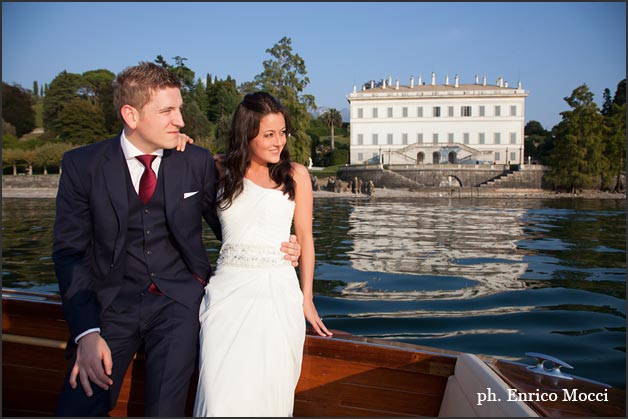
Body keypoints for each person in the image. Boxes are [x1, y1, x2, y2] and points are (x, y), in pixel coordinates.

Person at [52, 62, 300, 417]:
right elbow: (69, 254)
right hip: (110, 307)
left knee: (165, 411)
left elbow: (232, 225)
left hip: (178, 303)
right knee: (77, 407)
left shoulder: (195, 161)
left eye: (179, 109)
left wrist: (286, 245)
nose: (180, 121)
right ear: (131, 115)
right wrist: (87, 333)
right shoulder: (82, 165)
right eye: (167, 111)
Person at [193, 92, 332, 417]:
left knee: (268, 398)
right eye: (269, 134)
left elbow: (306, 239)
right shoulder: (217, 168)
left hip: (277, 297)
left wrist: (306, 298)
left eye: (282, 132)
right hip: (227, 297)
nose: (278, 141)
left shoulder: (295, 175)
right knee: (218, 398)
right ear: (247, 133)